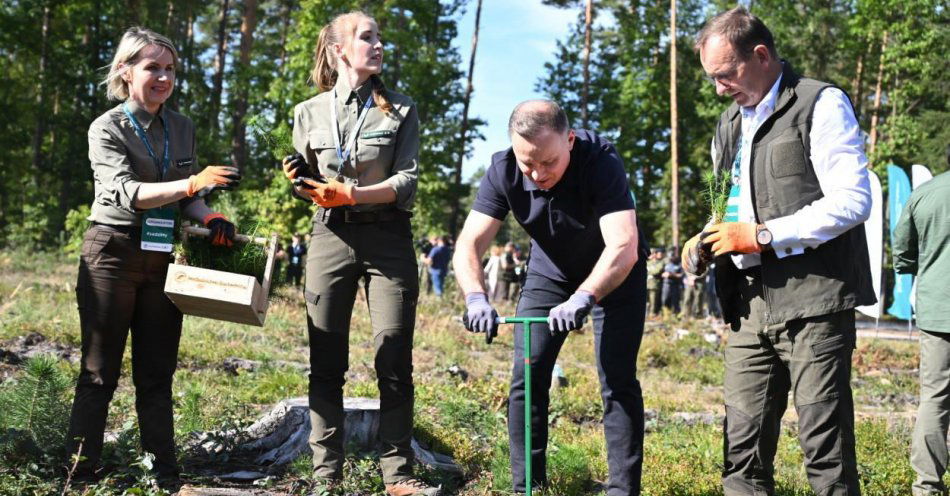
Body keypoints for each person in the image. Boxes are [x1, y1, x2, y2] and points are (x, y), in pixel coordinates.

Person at [681, 7, 875, 495]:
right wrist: (706, 237)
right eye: (712, 78)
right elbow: (727, 205)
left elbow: (854, 201)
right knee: (740, 448)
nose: (719, 88)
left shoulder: (820, 104)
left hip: (815, 304)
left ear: (761, 56)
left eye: (725, 75)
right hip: (748, 308)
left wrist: (762, 235)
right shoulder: (728, 126)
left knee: (824, 449)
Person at [66, 27, 241, 485]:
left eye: (170, 69)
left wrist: (211, 218)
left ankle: (166, 478)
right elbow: (129, 193)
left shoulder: (180, 127)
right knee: (99, 374)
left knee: (157, 374)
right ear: (125, 72)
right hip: (112, 253)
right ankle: (78, 477)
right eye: (152, 68)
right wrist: (191, 184)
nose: (163, 78)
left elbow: (189, 201)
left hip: (162, 255)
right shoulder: (106, 127)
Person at [280, 11, 438, 496]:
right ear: (338, 49)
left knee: (393, 354)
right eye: (367, 37)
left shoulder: (401, 109)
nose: (378, 45)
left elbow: (406, 181)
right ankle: (326, 475)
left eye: (379, 37)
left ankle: (398, 475)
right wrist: (299, 182)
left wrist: (354, 195)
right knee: (326, 358)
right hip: (329, 237)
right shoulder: (308, 111)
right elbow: (310, 185)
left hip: (387, 239)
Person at [454, 99, 648, 495]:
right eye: (529, 163)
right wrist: (475, 296)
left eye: (549, 162)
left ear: (570, 140)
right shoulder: (503, 170)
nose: (538, 173)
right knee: (527, 376)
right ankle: (528, 487)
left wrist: (584, 297)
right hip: (551, 271)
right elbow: (468, 246)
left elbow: (624, 246)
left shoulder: (600, 161)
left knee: (616, 378)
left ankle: (622, 491)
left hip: (615, 273)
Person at [893, 168, 950, 496]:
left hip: (937, 311)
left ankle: (926, 487)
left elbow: (902, 252)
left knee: (935, 397)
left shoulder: (924, 194)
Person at [646, 248, 665, 316]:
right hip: (646, 284)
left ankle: (652, 313)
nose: (652, 255)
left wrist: (648, 271)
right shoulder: (647, 262)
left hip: (654, 284)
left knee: (653, 300)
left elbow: (657, 271)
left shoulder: (660, 263)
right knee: (646, 301)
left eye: (653, 253)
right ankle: (646, 314)